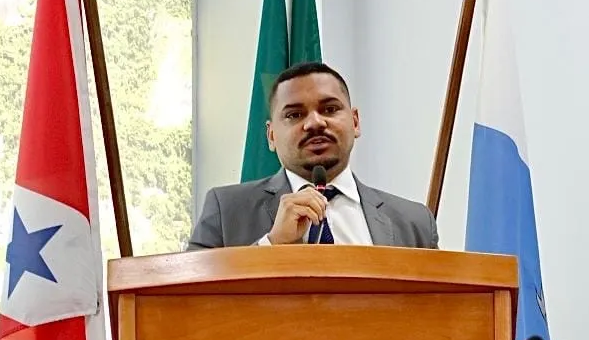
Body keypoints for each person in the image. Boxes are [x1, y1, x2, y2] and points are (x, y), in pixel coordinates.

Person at [186, 62, 439, 250]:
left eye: (329, 109)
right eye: (295, 115)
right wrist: (271, 246)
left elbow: (442, 313)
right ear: (271, 135)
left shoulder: (414, 223)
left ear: (355, 122)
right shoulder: (227, 211)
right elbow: (186, 306)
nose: (315, 123)